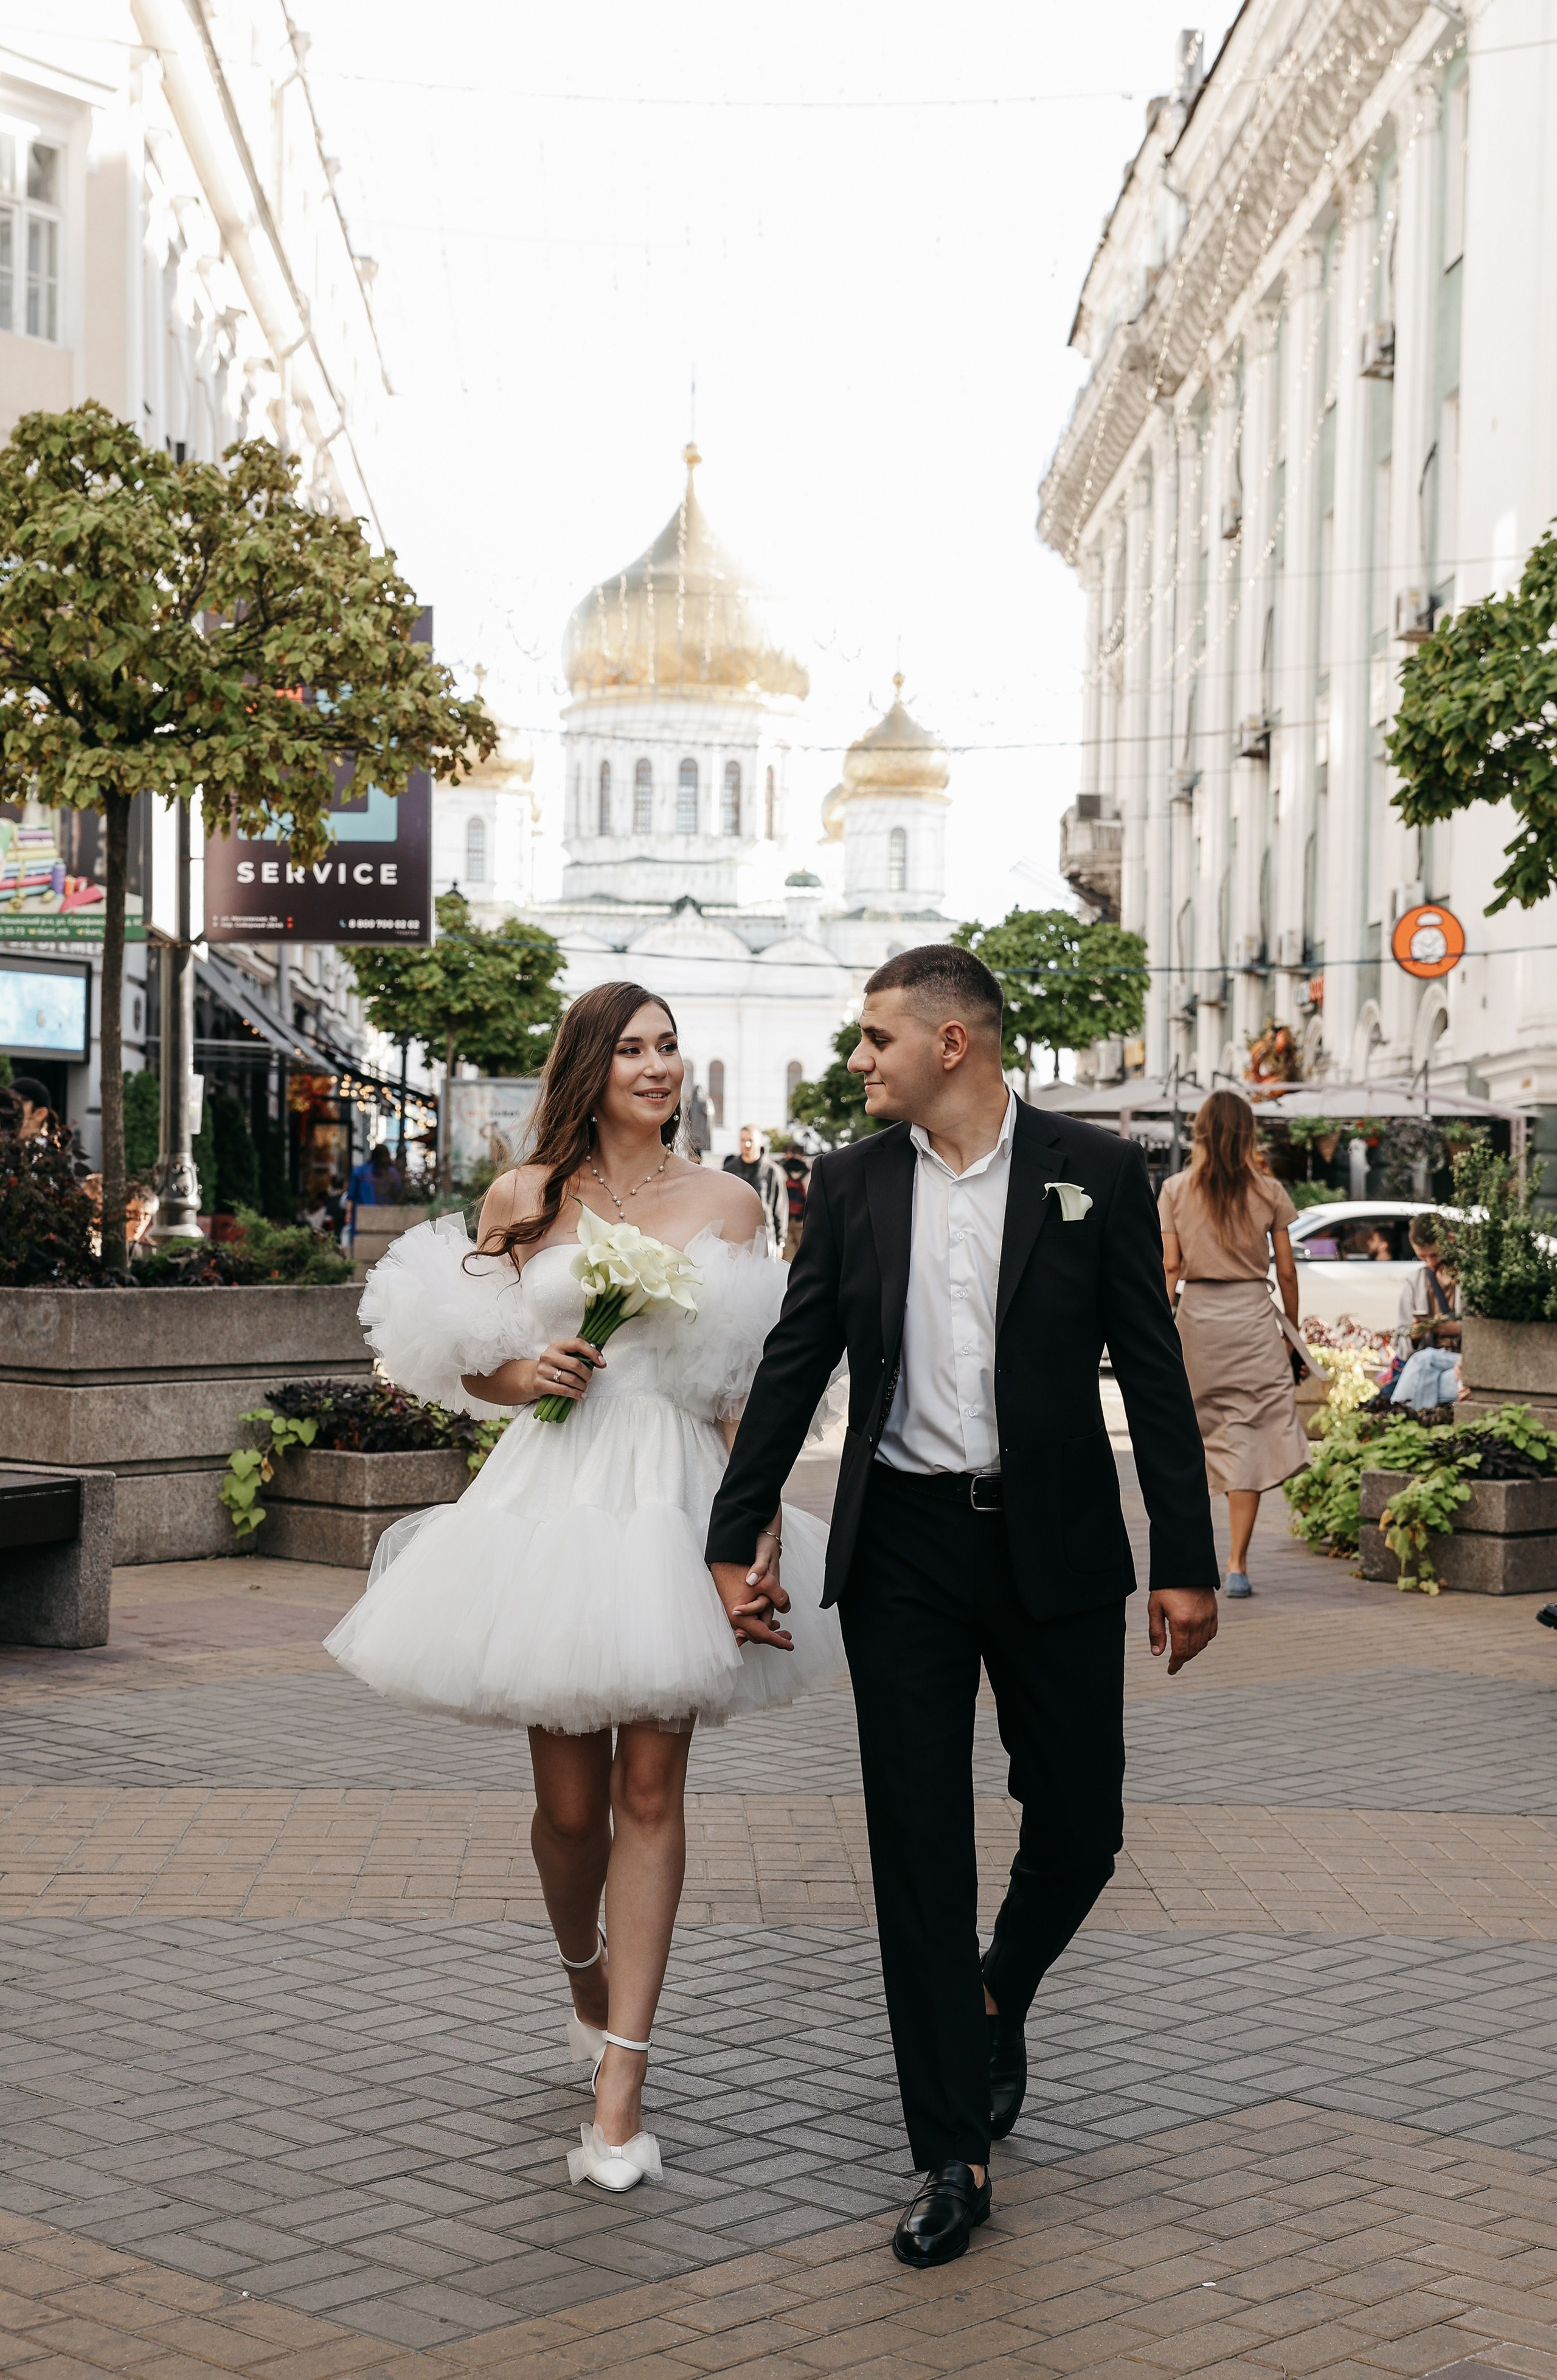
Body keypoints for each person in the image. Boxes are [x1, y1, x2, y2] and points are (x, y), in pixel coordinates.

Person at [706, 945, 1219, 2270]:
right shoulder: (856, 1181)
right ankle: (948, 2151)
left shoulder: (1093, 1171)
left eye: (876, 1038)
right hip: (906, 1549)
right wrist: (733, 1529)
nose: (856, 1059)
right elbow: (794, 1358)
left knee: (1084, 1823)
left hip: (1050, 1541)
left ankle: (996, 1994)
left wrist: (1183, 1555)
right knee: (916, 1849)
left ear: (952, 1043)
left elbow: (1151, 1375)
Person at [325, 982, 842, 2194]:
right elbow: (459, 1353)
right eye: (632, 1049)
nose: (656, 1066)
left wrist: (752, 1531)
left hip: (674, 1496)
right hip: (551, 1497)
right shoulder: (527, 1195)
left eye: (669, 1047)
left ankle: (622, 2088)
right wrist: (524, 1366)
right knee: (571, 1812)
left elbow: (743, 1396)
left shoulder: (728, 1204)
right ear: (589, 1066)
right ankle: (583, 1983)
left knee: (650, 1789)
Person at [1159, 1089, 1311, 1601]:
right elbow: (1287, 1271)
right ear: (1249, 1134)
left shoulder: (1176, 1190)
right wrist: (1291, 1331)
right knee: (1245, 1436)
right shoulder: (1269, 1191)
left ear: (1199, 1133)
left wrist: (1162, 1326)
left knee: (1194, 1434)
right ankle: (1238, 1563)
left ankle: (1193, 1556)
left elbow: (1170, 1267)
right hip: (1251, 1319)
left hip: (1198, 1320)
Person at [1394, 1211, 1459, 1359]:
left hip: (1461, 1360)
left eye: (1435, 1255)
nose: (1430, 1263)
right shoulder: (1415, 1282)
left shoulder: (1472, 1276)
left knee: (1424, 1361)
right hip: (1429, 1362)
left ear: (1450, 1240)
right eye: (1422, 1257)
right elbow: (1401, 1348)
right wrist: (1415, 1336)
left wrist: (1456, 1329)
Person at [721, 1123, 786, 1250]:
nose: (747, 1144)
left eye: (750, 1140)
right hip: (734, 1238)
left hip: (766, 1237)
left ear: (760, 1142)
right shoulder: (729, 1170)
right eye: (743, 1140)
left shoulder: (772, 1171)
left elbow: (780, 1207)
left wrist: (780, 1242)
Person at [777, 1138, 811, 1260]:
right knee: (804, 1258)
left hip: (785, 1220)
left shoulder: (780, 1171)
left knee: (788, 1260)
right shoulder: (809, 1173)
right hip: (803, 1221)